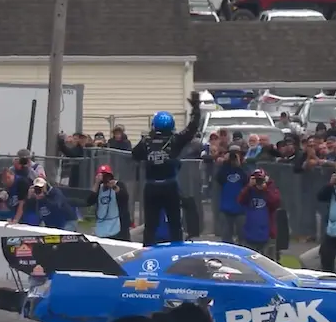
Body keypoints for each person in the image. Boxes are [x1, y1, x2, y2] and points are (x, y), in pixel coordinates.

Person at [132, 93, 201, 245]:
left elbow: (135, 155)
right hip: (170, 186)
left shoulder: (146, 142)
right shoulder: (175, 140)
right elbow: (192, 128)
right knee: (175, 223)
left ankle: (147, 251)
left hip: (151, 187)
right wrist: (196, 108)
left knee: (150, 225)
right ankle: (177, 250)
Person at [238, 168, 281, 259]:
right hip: (250, 232)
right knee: (249, 260)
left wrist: (266, 189)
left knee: (268, 261)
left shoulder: (271, 189)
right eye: (256, 179)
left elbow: (276, 203)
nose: (258, 182)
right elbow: (240, 200)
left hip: (267, 233)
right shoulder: (249, 191)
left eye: (260, 179)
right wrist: (249, 186)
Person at [87, 164, 131, 241]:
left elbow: (124, 197)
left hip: (117, 226)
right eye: (102, 176)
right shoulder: (98, 188)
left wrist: (114, 187)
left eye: (107, 175)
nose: (105, 178)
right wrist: (96, 183)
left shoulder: (119, 185)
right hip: (102, 226)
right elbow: (89, 201)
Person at [216, 145, 247, 243]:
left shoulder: (244, 168)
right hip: (226, 207)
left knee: (242, 235)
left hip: (241, 207)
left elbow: (246, 180)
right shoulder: (225, 169)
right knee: (226, 235)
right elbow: (219, 178)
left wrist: (240, 165)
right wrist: (225, 163)